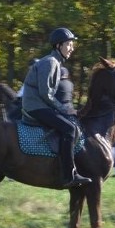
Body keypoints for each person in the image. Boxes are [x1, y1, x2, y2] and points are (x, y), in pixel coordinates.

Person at [22, 27, 91, 188]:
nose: (72, 48)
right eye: (69, 44)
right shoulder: (50, 63)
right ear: (59, 45)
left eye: (72, 44)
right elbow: (46, 94)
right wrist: (64, 109)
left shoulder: (54, 62)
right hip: (36, 107)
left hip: (40, 105)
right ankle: (69, 175)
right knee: (69, 129)